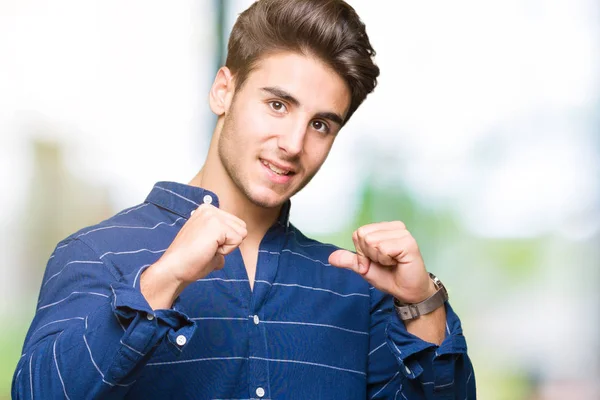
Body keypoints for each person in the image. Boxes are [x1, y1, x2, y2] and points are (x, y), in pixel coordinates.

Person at [13, 0, 476, 398]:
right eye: (278, 104)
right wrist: (162, 281)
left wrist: (422, 303)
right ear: (223, 91)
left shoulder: (355, 291)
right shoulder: (100, 254)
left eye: (321, 124)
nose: (293, 143)